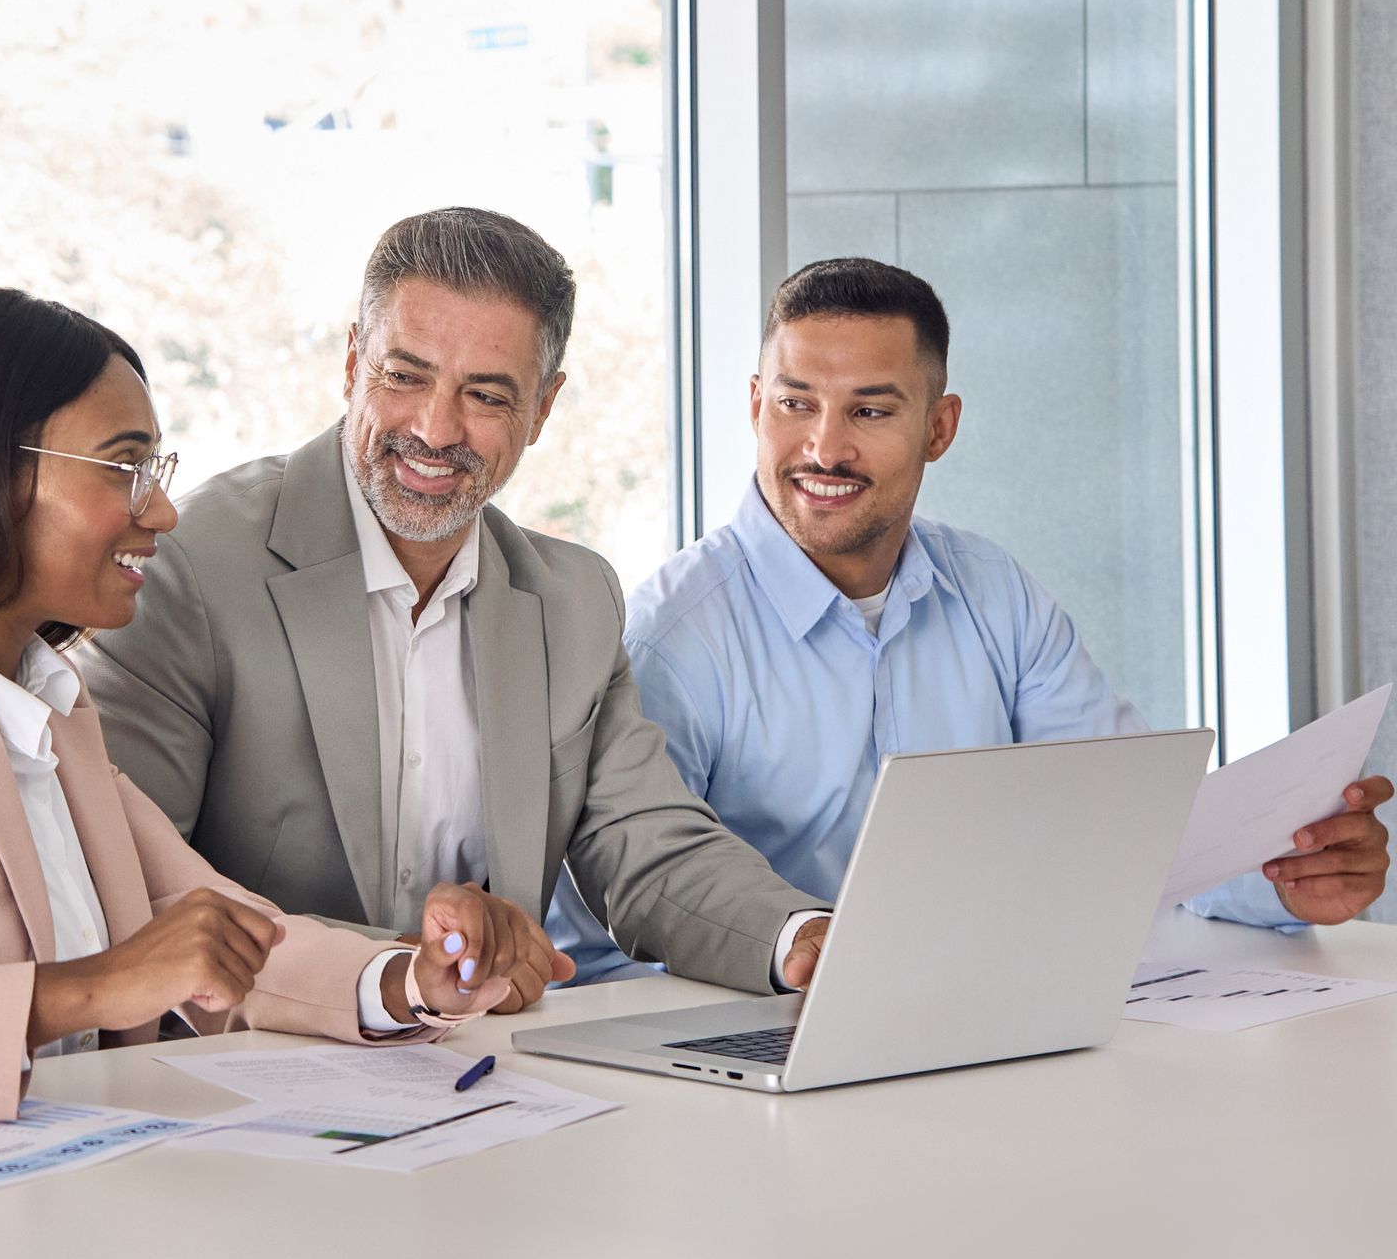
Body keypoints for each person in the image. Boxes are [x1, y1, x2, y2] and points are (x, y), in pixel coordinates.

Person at [0, 288, 554, 1135]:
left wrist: (410, 979)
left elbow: (224, 936)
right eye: (123, 467)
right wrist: (83, 989)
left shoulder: (51, 709)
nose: (161, 509)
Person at [551, 256, 1393, 978]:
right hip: (768, 1047)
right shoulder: (673, 636)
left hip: (985, 1017)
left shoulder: (994, 592)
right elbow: (614, 934)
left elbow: (1124, 815)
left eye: (871, 410)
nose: (824, 447)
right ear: (753, 403)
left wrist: (1281, 871)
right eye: (795, 403)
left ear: (939, 427)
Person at [85, 208, 832, 1004]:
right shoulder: (192, 562)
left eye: (484, 394)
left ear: (542, 409)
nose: (435, 429)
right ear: (351, 361)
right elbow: (134, 884)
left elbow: (647, 845)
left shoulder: (573, 601)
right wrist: (407, 978)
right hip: (244, 1070)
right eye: (404, 375)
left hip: (487, 1073)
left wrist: (799, 937)